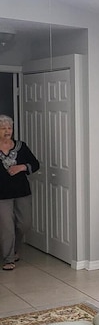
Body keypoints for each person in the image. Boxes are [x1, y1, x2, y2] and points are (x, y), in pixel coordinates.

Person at [0, 115, 39, 270]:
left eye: (9, 128)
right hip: (1, 195)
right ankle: (9, 258)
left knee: (24, 224)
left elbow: (35, 164)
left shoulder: (21, 146)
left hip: (22, 191)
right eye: (3, 128)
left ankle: (14, 247)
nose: (7, 131)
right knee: (6, 227)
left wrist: (22, 167)